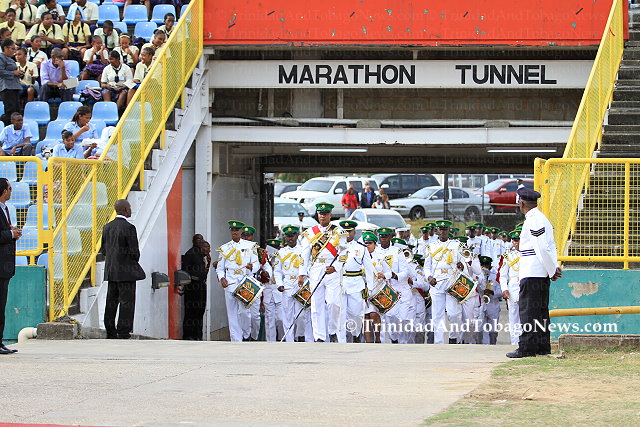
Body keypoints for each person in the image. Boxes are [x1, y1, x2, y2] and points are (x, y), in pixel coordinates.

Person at [507, 187, 562, 358]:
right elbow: (550, 247)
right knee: (540, 311)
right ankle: (541, 346)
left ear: (522, 203)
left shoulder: (534, 220)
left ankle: (527, 347)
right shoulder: (541, 218)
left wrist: (552, 270)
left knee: (529, 312)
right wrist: (552, 267)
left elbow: (541, 248)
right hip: (540, 271)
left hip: (532, 272)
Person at [299, 202, 345, 342]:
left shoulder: (338, 231)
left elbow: (344, 253)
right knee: (316, 304)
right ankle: (319, 336)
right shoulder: (310, 232)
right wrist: (302, 273)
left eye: (325, 214)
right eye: (320, 214)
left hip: (332, 269)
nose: (322, 216)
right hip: (316, 268)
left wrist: (335, 267)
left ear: (330, 215)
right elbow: (304, 254)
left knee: (333, 303)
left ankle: (332, 331)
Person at [101, 199, 146, 339]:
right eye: (130, 207)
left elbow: (104, 251)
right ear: (125, 210)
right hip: (126, 273)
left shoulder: (107, 227)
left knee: (111, 302)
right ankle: (123, 331)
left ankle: (110, 331)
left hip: (111, 272)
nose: (131, 210)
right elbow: (134, 252)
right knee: (127, 303)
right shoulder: (129, 228)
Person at [215, 220, 259, 342]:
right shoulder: (224, 248)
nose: (234, 232)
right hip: (230, 282)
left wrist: (252, 267)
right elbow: (220, 268)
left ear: (241, 231)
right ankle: (236, 340)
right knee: (232, 313)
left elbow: (257, 265)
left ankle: (246, 334)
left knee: (245, 312)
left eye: (237, 230)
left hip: (245, 281)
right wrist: (222, 278)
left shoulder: (250, 246)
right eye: (232, 230)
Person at [423, 220, 465, 344]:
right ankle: (439, 343)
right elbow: (426, 267)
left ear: (449, 230)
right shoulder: (431, 246)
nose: (443, 232)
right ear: (437, 230)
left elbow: (463, 264)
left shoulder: (456, 245)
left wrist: (461, 266)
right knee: (437, 315)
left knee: (454, 314)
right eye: (441, 229)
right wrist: (429, 278)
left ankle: (453, 337)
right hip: (436, 282)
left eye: (445, 229)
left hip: (452, 282)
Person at [337, 220, 374, 343]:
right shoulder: (336, 246)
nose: (347, 234)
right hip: (340, 282)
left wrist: (370, 288)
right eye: (345, 231)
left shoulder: (361, 248)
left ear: (354, 232)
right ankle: (341, 340)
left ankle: (356, 334)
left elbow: (369, 270)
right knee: (340, 313)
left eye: (350, 231)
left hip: (356, 283)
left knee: (356, 313)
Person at [274, 225, 311, 342]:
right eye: (288, 236)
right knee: (287, 314)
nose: (290, 238)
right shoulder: (281, 252)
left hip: (301, 284)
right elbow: (277, 271)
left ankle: (300, 336)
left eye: (293, 236)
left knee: (302, 315)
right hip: (287, 284)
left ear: (297, 236)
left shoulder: (303, 250)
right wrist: (279, 284)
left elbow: (308, 267)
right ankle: (289, 340)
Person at [0, 178, 22, 355]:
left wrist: (11, 232)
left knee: (1, 307)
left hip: (5, 267)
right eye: (10, 188)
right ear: (4, 191)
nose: (11, 191)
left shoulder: (4, 208)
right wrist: (10, 234)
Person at [181, 234, 209, 341]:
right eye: (198, 239)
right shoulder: (190, 253)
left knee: (200, 311)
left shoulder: (202, 255)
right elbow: (185, 270)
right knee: (191, 312)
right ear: (193, 241)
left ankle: (198, 335)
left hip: (201, 286)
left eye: (201, 239)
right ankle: (188, 335)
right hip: (192, 286)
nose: (200, 241)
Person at [499, 229, 522, 347]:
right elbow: (503, 275)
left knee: (526, 317)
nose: (516, 243)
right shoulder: (508, 256)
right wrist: (504, 289)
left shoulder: (529, 254)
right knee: (513, 318)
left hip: (526, 287)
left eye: (518, 240)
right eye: (515, 241)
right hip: (513, 288)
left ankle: (525, 343)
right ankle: (515, 344)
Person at [0, 39, 22, 126]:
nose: (14, 51)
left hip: (14, 86)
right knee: (10, 111)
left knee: (16, 111)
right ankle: (6, 128)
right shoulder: (1, 57)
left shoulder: (10, 59)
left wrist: (19, 73)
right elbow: (0, 71)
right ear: (5, 48)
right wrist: (13, 73)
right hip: (7, 87)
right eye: (12, 49)